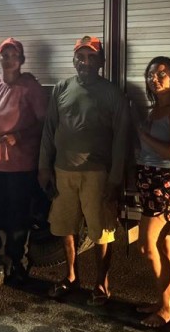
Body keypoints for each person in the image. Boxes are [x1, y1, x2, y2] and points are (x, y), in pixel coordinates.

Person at [39, 36, 129, 304]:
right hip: (62, 171)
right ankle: (71, 277)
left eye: (91, 57)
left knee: (101, 231)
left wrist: (115, 180)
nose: (85, 62)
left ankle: (102, 284)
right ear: (74, 59)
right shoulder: (62, 87)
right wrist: (43, 166)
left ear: (101, 61)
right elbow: (49, 128)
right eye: (81, 57)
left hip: (97, 174)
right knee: (66, 227)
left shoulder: (113, 93)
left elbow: (122, 138)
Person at [0, 37, 47, 286]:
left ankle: (16, 263)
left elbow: (43, 123)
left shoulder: (30, 87)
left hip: (20, 166)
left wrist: (19, 135)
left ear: (22, 60)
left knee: (17, 217)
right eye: (4, 55)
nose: (9, 60)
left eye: (14, 55)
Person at [133, 56, 170, 327]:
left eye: (161, 74)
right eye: (150, 75)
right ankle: (165, 301)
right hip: (148, 177)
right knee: (167, 243)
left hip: (165, 180)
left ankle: (167, 308)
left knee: (147, 245)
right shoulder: (153, 109)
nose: (154, 79)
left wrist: (144, 137)